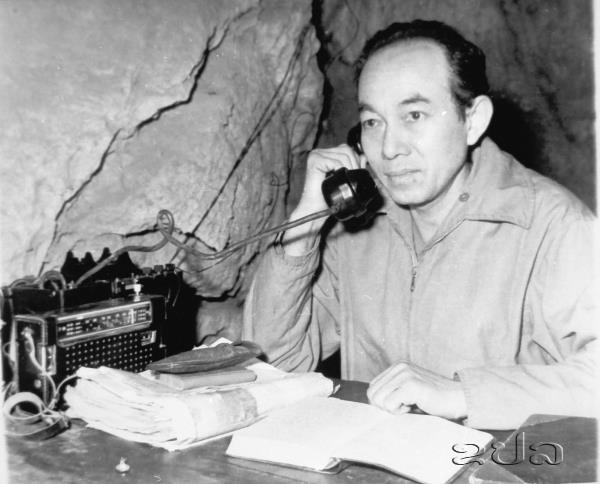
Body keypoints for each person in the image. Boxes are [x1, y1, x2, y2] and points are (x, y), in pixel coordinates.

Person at [242, 20, 596, 429]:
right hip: (370, 457)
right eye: (373, 122)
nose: (390, 148)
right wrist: (302, 231)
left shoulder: (553, 225)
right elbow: (274, 367)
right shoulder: (357, 228)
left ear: (473, 120)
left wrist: (462, 395)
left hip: (501, 461)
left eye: (414, 115)